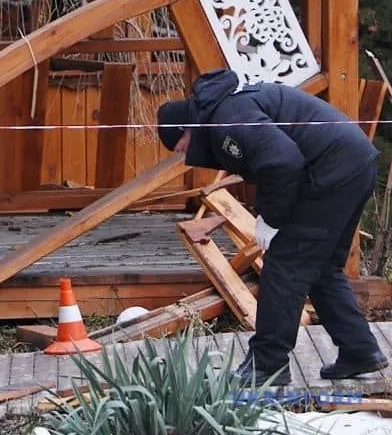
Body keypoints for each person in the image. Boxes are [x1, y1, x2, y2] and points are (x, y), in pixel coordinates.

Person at [157, 68, 388, 387]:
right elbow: (275, 162)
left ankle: (267, 365)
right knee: (320, 266)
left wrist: (270, 218)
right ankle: (359, 350)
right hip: (353, 163)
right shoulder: (227, 110)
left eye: (178, 144)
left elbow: (282, 162)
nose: (181, 152)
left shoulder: (228, 120)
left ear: (187, 128)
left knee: (284, 266)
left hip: (331, 169)